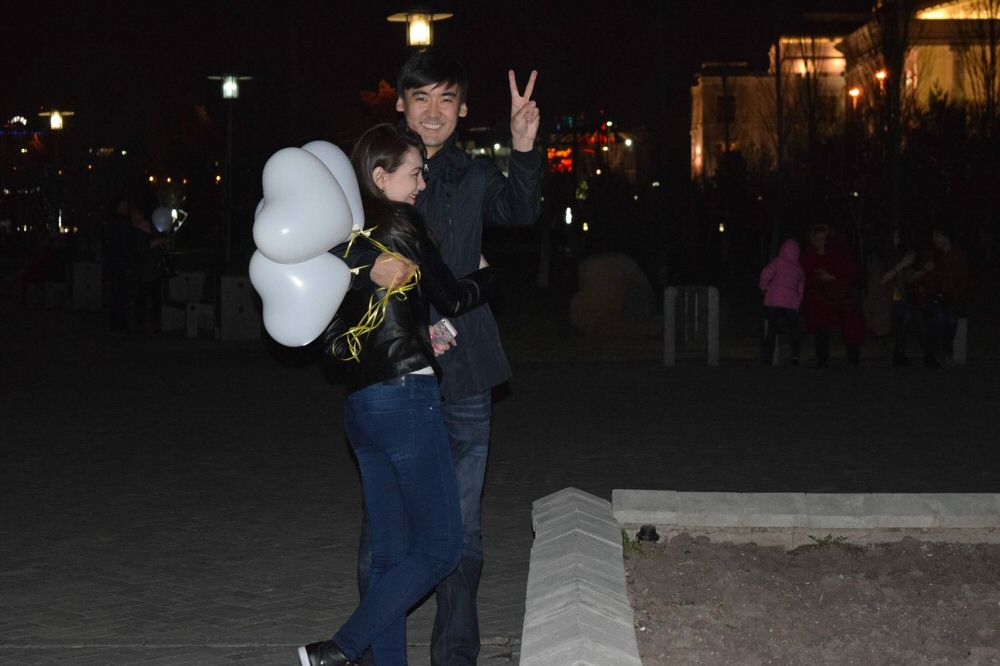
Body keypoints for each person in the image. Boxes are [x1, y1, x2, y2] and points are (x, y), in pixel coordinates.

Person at [348, 50, 542, 665]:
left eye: (447, 98)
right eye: (421, 97)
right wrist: (364, 266)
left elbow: (521, 211)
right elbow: (327, 242)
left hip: (465, 372)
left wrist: (522, 146)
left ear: (462, 109)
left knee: (464, 531)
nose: (433, 111)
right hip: (397, 371)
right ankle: (374, 652)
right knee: (383, 534)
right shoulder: (371, 175)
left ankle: (455, 656)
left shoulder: (473, 173)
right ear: (400, 104)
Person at [299, 124, 497, 666]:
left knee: (388, 557)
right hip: (407, 398)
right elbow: (452, 297)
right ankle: (340, 648)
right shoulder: (402, 224)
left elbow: (327, 330)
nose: (422, 184)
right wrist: (488, 277)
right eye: (414, 173)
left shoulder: (339, 242)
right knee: (442, 548)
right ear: (380, 177)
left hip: (362, 409)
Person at [801, 224, 865, 366]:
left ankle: (853, 359)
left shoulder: (838, 254)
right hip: (819, 299)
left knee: (850, 326)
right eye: (817, 239)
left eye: (823, 239)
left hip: (840, 297)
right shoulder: (809, 257)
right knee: (821, 329)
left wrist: (832, 277)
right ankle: (822, 361)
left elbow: (850, 273)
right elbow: (806, 278)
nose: (821, 243)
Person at [878, 229, 931, 366]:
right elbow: (881, 280)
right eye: (896, 237)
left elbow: (909, 277)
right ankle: (899, 353)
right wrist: (902, 264)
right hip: (884, 300)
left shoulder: (898, 254)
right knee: (906, 313)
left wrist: (924, 270)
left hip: (900, 297)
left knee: (917, 313)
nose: (899, 240)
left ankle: (927, 354)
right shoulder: (879, 256)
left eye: (899, 236)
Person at [919, 225, 969, 366]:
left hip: (950, 295)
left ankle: (947, 351)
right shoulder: (930, 254)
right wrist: (927, 271)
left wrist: (957, 296)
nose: (935, 239)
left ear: (946, 238)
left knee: (952, 320)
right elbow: (924, 278)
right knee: (939, 319)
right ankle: (938, 351)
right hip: (933, 295)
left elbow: (963, 279)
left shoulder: (957, 255)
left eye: (938, 236)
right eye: (934, 236)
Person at [759, 239, 804, 366]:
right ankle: (795, 356)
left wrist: (764, 287)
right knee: (794, 329)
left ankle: (767, 358)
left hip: (773, 299)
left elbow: (766, 273)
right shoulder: (799, 269)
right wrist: (797, 304)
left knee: (772, 329)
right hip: (790, 302)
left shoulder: (778, 261)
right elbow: (800, 290)